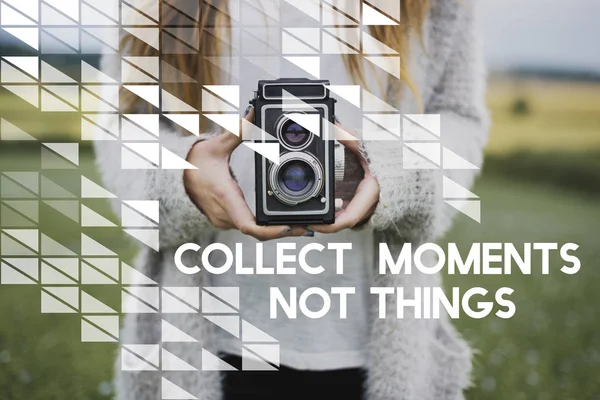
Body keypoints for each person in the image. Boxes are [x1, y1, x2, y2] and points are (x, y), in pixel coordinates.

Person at [94, 0, 490, 399]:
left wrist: (398, 176)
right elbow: (122, 127)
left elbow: (458, 119)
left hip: (373, 339)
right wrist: (180, 176)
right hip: (206, 336)